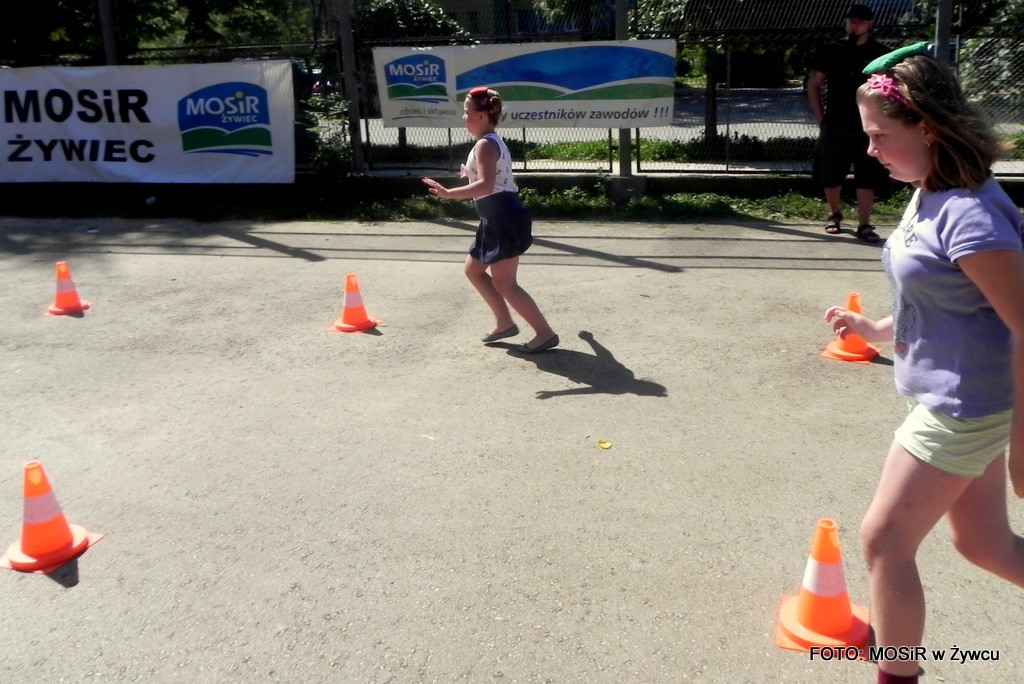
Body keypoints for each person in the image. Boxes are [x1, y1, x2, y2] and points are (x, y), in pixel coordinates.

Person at [824, 44, 1024, 684]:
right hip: (959, 400)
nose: (871, 150)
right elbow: (941, 300)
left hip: (962, 409)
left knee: (884, 541)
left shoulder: (970, 215)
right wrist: (877, 328)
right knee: (986, 545)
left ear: (929, 128)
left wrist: (1023, 445)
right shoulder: (928, 190)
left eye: (881, 136)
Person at [422, 86, 559, 353]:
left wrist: (448, 194)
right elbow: (489, 179)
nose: (464, 117)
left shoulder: (485, 144)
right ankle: (504, 322)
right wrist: (469, 173)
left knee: (505, 283)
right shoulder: (491, 141)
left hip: (503, 216)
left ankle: (545, 333)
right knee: (473, 270)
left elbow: (486, 185)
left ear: (482, 116)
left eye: (467, 112)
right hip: (494, 216)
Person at [807, 4, 891, 242]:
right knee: (831, 173)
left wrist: (883, 122)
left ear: (870, 24)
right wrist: (821, 119)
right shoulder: (830, 50)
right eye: (851, 20)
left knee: (868, 173)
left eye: (860, 22)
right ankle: (834, 214)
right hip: (835, 122)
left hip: (868, 125)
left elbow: (889, 88)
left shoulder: (880, 53)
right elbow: (814, 84)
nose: (855, 25)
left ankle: (864, 224)